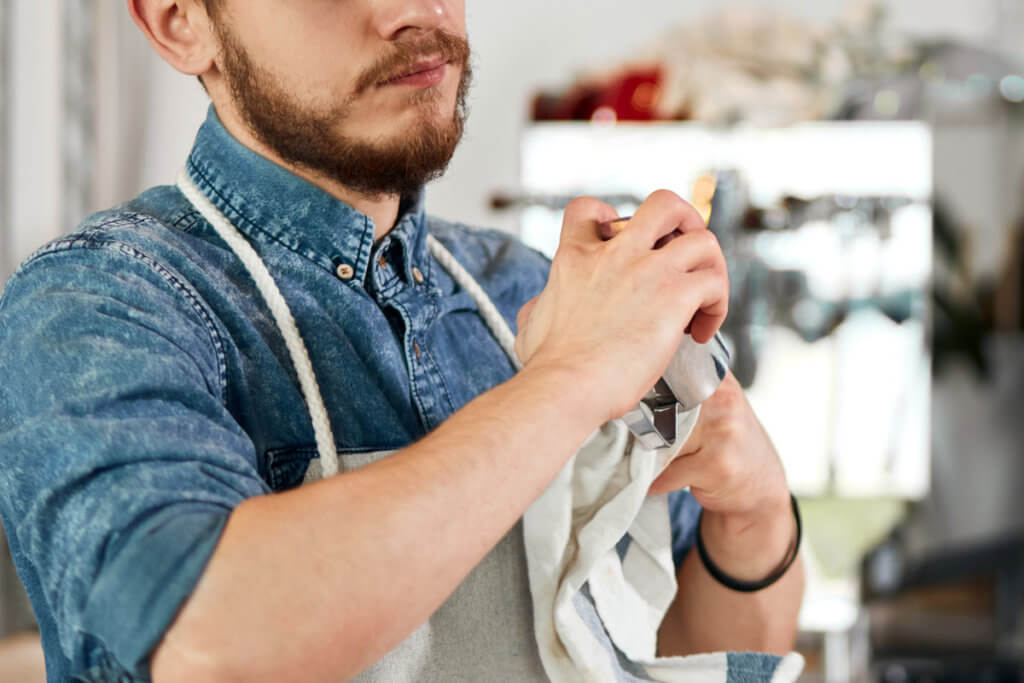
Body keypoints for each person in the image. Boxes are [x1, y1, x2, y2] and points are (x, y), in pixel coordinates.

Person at [0, 1, 804, 680]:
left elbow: (675, 649)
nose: (411, 10)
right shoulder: (97, 304)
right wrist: (571, 378)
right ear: (181, 24)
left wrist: (756, 514)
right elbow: (211, 639)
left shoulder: (526, 288)